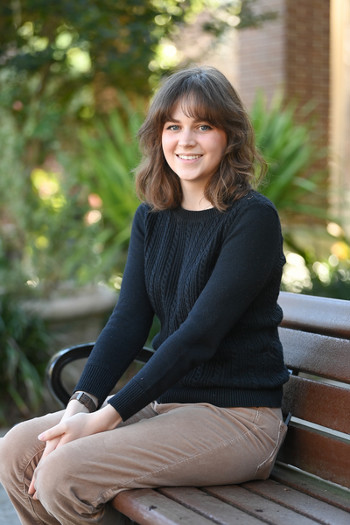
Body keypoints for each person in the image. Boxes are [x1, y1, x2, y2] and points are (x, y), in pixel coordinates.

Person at [0, 66, 289, 525]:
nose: (186, 140)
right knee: (17, 449)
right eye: (173, 126)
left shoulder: (252, 220)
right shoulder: (152, 217)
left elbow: (198, 336)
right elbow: (128, 321)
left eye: (203, 126)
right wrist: (81, 404)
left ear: (229, 136)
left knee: (63, 473)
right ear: (158, 137)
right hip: (166, 410)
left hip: (238, 420)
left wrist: (105, 418)